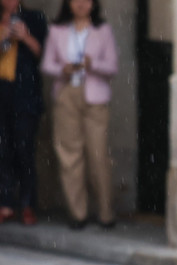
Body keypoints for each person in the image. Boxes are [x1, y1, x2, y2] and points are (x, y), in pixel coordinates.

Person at [41, 0, 118, 230]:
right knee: (69, 155)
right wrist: (62, 69)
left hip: (95, 96)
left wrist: (93, 64)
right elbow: (46, 65)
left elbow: (112, 67)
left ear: (94, 4)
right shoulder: (57, 30)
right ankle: (78, 213)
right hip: (66, 93)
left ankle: (106, 212)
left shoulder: (103, 30)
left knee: (98, 156)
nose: (81, 4)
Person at [0, 0, 47, 226]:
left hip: (25, 95)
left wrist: (26, 36)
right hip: (2, 92)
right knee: (2, 150)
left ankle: (27, 204)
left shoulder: (34, 18)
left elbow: (43, 54)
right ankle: (6, 203)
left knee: (24, 149)